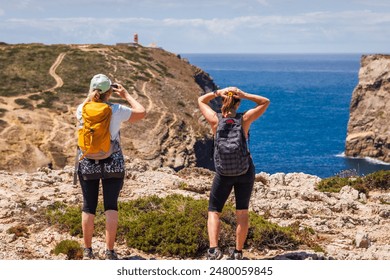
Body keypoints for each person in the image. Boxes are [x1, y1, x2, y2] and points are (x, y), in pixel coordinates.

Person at [76, 74, 146, 260]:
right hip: (112, 162)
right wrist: (126, 95)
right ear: (109, 92)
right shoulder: (116, 109)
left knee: (88, 206)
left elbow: (84, 107)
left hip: (87, 161)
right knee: (111, 206)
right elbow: (142, 111)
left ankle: (87, 250)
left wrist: (89, 97)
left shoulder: (80, 109)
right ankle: (109, 251)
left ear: (92, 90)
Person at [198, 87, 270, 260]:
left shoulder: (215, 120)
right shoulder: (244, 119)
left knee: (214, 211)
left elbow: (201, 100)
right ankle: (238, 252)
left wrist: (217, 92)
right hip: (244, 170)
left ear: (223, 101)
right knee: (242, 212)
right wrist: (245, 95)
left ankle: (214, 250)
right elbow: (265, 101)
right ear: (238, 104)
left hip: (223, 173)